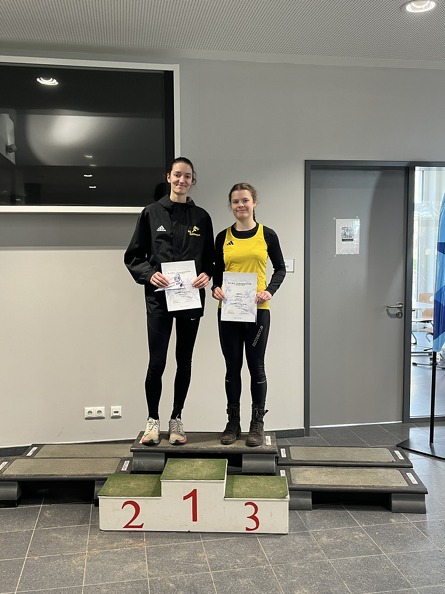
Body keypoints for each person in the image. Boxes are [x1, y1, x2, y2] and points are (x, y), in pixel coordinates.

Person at [124, 157, 214, 446]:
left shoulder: (202, 217)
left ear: (192, 181)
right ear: (169, 177)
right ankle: (152, 420)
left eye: (187, 176)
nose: (181, 180)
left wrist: (207, 274)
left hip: (190, 300)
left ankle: (177, 419)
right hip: (159, 300)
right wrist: (150, 275)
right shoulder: (150, 213)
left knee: (184, 361)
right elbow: (133, 256)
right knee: (157, 362)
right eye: (177, 175)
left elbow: (210, 259)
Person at [212, 183, 286, 446]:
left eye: (245, 200)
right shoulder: (222, 237)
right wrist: (216, 288)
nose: (240, 205)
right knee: (232, 367)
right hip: (229, 313)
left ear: (254, 202)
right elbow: (217, 272)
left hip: (258, 312)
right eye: (235, 201)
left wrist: (269, 291)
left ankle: (257, 424)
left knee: (256, 366)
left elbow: (280, 268)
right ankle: (233, 423)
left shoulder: (268, 235)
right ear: (231, 205)